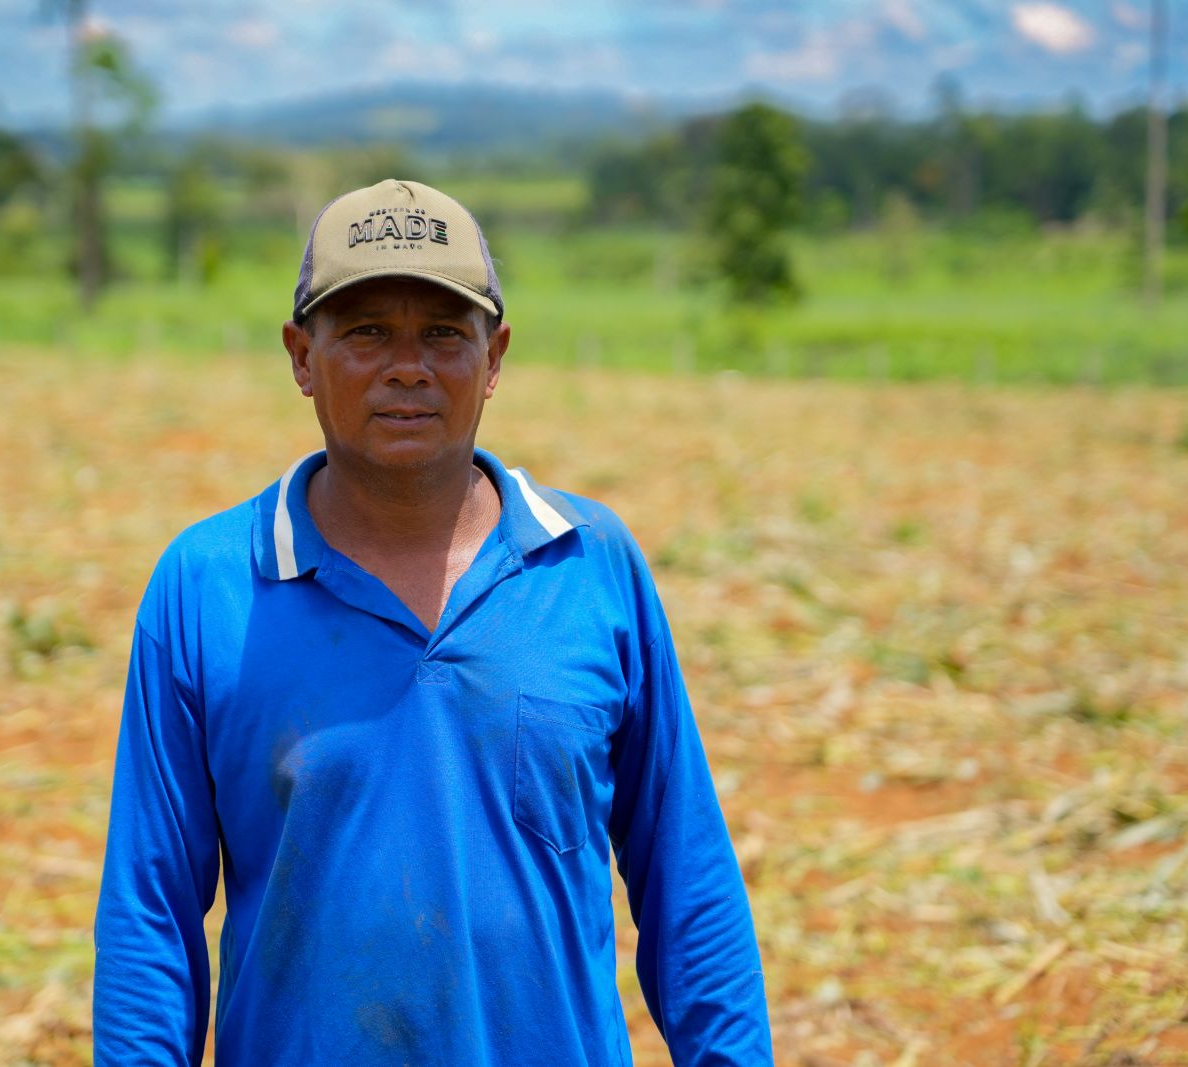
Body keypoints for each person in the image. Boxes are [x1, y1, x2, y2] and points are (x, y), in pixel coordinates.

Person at [93, 178, 772, 1065]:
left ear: (494, 357)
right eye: (367, 331)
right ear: (301, 356)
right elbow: (150, 914)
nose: (407, 366)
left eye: (445, 333)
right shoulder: (207, 587)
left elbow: (687, 879)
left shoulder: (589, 565)